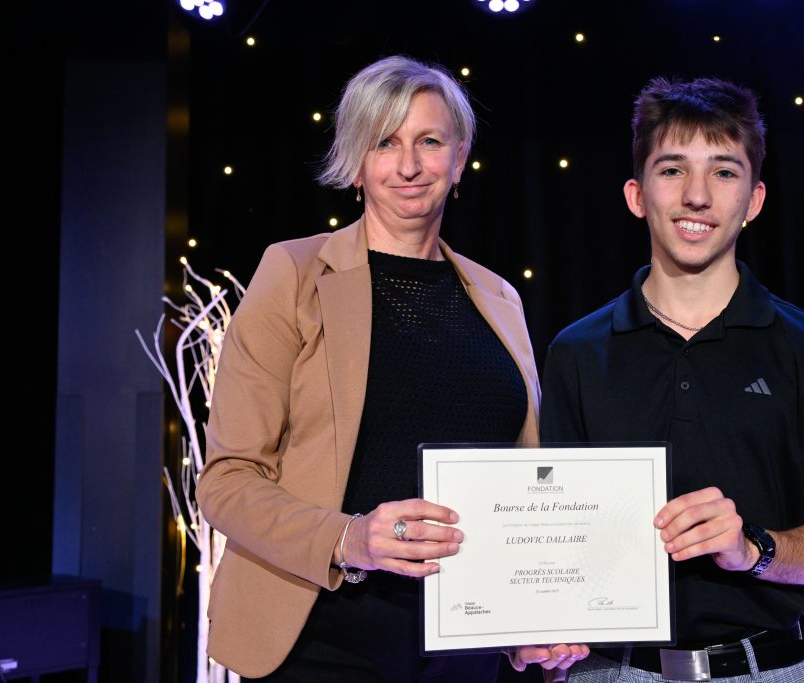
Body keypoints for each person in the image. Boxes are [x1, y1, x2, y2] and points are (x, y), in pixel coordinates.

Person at [196, 55, 587, 682]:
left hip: (465, 640)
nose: (408, 166)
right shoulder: (293, 276)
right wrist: (350, 538)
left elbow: (522, 484)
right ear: (356, 162)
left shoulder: (499, 298)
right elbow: (226, 482)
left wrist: (529, 619)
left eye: (429, 142)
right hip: (322, 636)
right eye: (385, 143)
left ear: (458, 161)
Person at [539, 76, 804, 682]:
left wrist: (752, 549)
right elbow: (548, 532)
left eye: (723, 172)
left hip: (765, 668)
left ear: (753, 200)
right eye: (672, 170)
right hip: (608, 670)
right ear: (636, 194)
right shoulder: (576, 352)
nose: (697, 195)